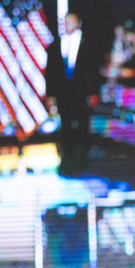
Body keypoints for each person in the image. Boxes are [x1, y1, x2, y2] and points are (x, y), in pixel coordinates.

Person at [44, 12, 104, 176]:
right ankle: (67, 163)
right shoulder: (56, 45)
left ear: (78, 24)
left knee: (83, 128)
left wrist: (94, 92)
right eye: (64, 22)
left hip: (83, 94)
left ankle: (82, 163)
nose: (66, 25)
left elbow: (94, 70)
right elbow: (51, 72)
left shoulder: (88, 44)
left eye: (70, 22)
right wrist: (50, 95)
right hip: (64, 95)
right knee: (66, 129)